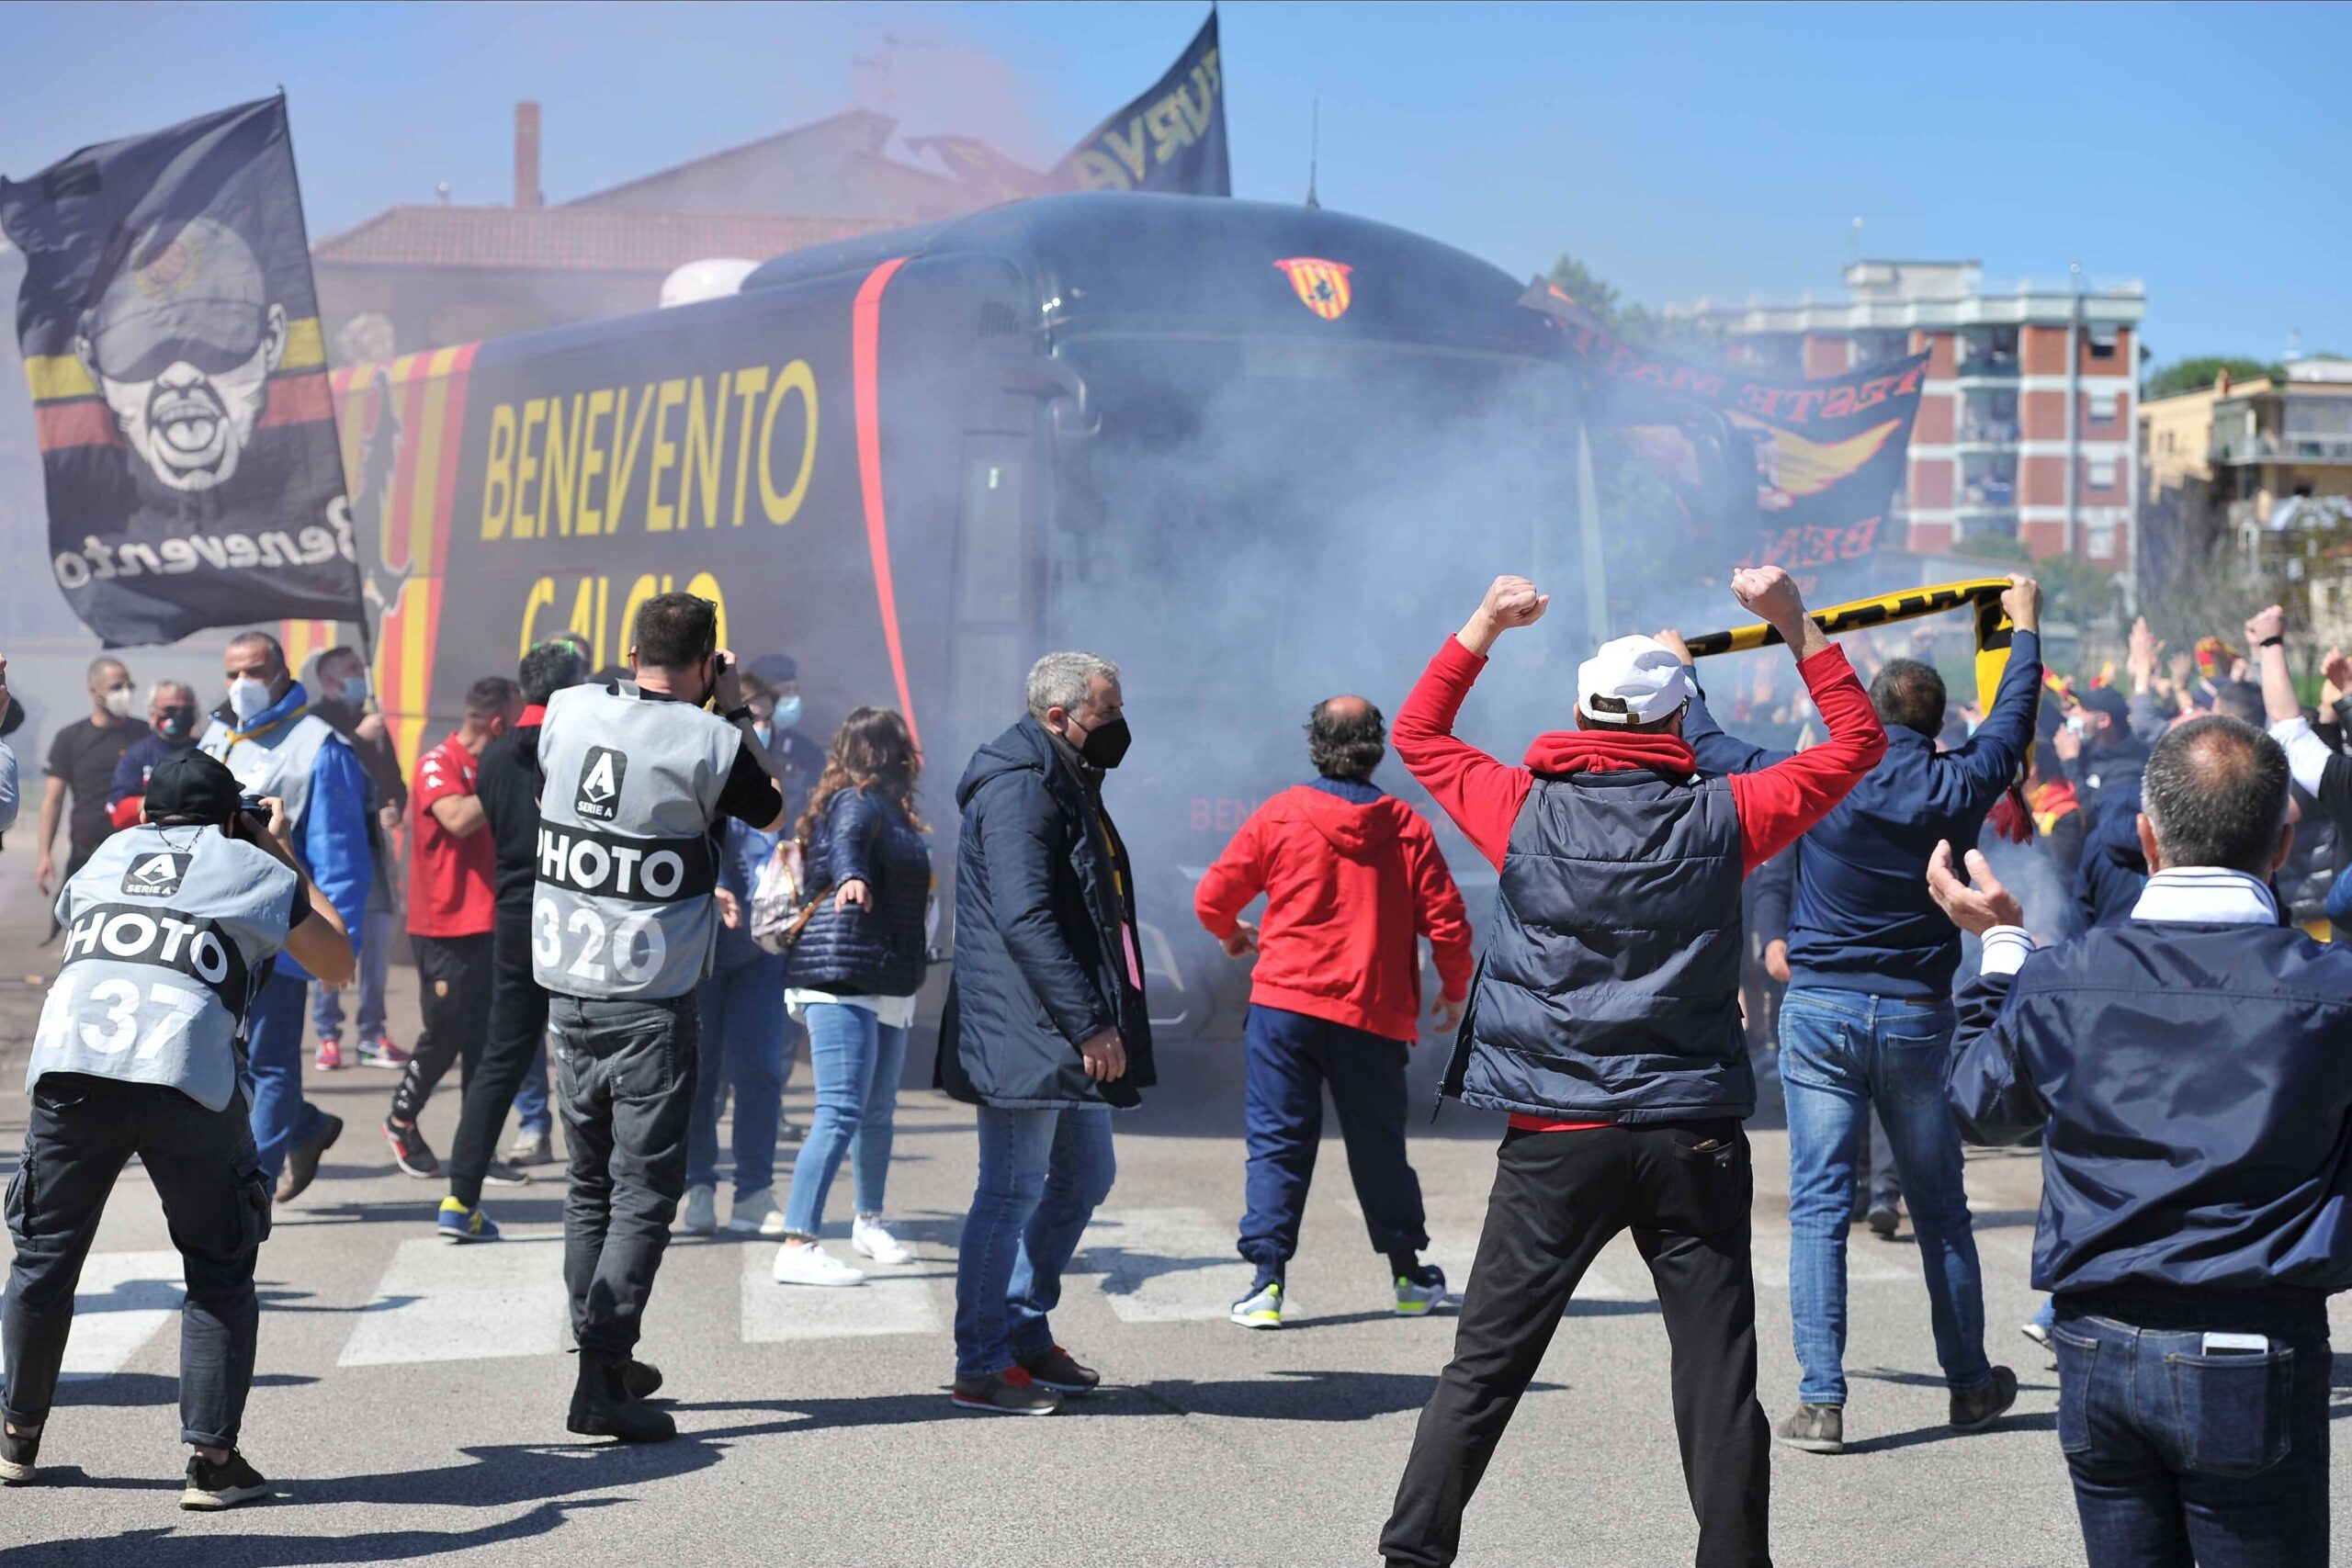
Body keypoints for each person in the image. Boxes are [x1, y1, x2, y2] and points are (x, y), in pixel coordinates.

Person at [1379, 569, 1886, 1568]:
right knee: (1716, 1377)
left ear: (1577, 714)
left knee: (1483, 1368)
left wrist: (1484, 623)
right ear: (1678, 723)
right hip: (1689, 1129)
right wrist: (1793, 622)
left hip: (1556, 1131)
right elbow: (1855, 744)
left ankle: (1413, 1556)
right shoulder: (1727, 812)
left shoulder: (1519, 806)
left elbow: (1418, 733)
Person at [1934, 714, 2350, 1568]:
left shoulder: (2059, 977)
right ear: (2284, 842)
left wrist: (2001, 951)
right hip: (2253, 1335)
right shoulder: (2332, 991)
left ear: (2147, 838)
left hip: (2097, 1343)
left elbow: (1977, 1105)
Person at [1671, 574, 2041, 1454]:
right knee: (1941, 1209)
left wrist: (1683, 675)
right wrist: (2024, 628)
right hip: (1917, 1013)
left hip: (1821, 1010)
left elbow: (1708, 746)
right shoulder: (1963, 778)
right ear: (1939, 725)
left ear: (1865, 716)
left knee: (1818, 1208)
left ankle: (1822, 1401)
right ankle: (1968, 1384)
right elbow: (2014, 716)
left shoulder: (1824, 774)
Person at [2, 750, 353, 1506]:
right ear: (231, 817)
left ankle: (15, 1438)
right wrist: (281, 850)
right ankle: (211, 1463)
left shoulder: (104, 856)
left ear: (143, 812)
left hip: (72, 1066)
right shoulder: (251, 863)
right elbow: (337, 962)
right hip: (184, 1070)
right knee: (219, 1266)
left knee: (43, 1258)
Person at [533, 592, 786, 1442]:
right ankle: (602, 1378)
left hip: (567, 985)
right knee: (642, 1192)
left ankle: (600, 1356)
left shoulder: (569, 710)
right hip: (649, 996)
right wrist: (735, 707)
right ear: (709, 662)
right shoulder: (713, 739)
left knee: (588, 1185)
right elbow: (772, 809)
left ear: (632, 650)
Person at [1193, 694, 1473, 1328]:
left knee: (1277, 1143)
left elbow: (1212, 897)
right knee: (1379, 1147)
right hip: (1372, 1015)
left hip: (1284, 1008)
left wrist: (1232, 932)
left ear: (1315, 746)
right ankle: (1408, 1276)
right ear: (1376, 749)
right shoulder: (1405, 826)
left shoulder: (1281, 813)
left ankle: (1266, 1285)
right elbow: (1449, 924)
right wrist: (1453, 990)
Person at [941, 650, 1152, 1416]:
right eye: (1107, 711)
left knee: (1085, 1176)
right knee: (1009, 1191)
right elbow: (1024, 917)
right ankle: (981, 1361)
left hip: (1055, 1021)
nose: (1119, 724)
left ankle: (1023, 1324)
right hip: (1024, 1026)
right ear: (1059, 717)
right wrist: (1090, 1022)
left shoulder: (1066, 772)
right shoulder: (1021, 787)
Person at [198, 632, 369, 1201]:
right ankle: (306, 1126)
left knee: (269, 1065)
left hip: (281, 933)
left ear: (280, 672)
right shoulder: (218, 734)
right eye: (232, 674)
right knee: (228, 1060)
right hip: (214, 930)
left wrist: (337, 950)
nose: (241, 685)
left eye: (253, 672)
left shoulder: (320, 746)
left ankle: (255, 1193)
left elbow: (342, 858)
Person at [772, 705, 933, 1282]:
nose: (913, 755)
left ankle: (868, 1222)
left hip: (884, 972)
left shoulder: (894, 807)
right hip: (840, 972)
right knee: (840, 1110)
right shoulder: (855, 802)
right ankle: (797, 1245)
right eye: (902, 744)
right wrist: (851, 877)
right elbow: (847, 845)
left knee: (878, 1110)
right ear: (880, 750)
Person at [437, 640, 586, 1235]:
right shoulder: (583, 745)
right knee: (596, 1054)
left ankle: (459, 1199)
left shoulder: (495, 756)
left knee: (501, 1059)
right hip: (582, 915)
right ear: (575, 688)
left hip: (518, 917)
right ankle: (603, 1201)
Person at [382, 676, 523, 1178]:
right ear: (498, 724)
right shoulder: (437, 763)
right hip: (443, 925)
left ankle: (477, 1150)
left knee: (485, 1042)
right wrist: (506, 781)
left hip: (490, 921)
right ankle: (401, 1119)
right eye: (517, 722)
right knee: (446, 1031)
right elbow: (458, 818)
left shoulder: (494, 764)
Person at [681, 813, 791, 1237]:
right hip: (702, 944)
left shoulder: (780, 790)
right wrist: (708, 879)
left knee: (761, 1073)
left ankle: (753, 1194)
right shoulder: (704, 778)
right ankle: (699, 1186)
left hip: (763, 951)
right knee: (699, 1075)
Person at [308, 646, 411, 1071]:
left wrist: (393, 807)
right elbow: (317, 777)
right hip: (335, 853)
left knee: (378, 940)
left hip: (374, 848)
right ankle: (327, 1034)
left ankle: (372, 1032)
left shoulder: (374, 723)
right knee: (333, 939)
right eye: (349, 670)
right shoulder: (316, 723)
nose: (358, 676)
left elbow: (396, 785)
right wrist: (355, 739)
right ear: (330, 679)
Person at [34, 656, 144, 897]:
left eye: (129, 686)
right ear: (94, 691)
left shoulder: (145, 735)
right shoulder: (70, 738)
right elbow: (53, 800)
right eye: (116, 687)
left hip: (136, 851)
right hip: (87, 852)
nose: (125, 693)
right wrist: (44, 855)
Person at [107, 681, 203, 829]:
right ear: (152, 714)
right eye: (169, 710)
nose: (179, 715)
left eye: (186, 710)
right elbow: (118, 813)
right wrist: (163, 801)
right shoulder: (137, 755)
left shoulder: (207, 749)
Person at [745, 654, 825, 829]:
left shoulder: (808, 752)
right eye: (785, 691)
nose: (794, 699)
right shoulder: (732, 743)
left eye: (795, 690)